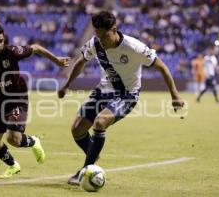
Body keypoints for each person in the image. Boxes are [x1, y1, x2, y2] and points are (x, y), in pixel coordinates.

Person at [57, 11, 184, 185]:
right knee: (77, 129)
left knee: (100, 122)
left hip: (127, 95)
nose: (101, 40)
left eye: (105, 36)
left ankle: (86, 170)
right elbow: (80, 61)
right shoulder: (96, 43)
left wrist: (175, 94)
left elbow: (161, 66)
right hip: (102, 91)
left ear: (114, 29)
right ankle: (94, 152)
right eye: (98, 36)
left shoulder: (134, 47)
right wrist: (67, 85)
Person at [0, 23, 70, 178]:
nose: (0, 45)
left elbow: (35, 47)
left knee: (13, 139)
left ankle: (34, 141)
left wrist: (57, 61)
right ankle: (13, 165)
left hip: (17, 98)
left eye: (1, 40)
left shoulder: (11, 52)